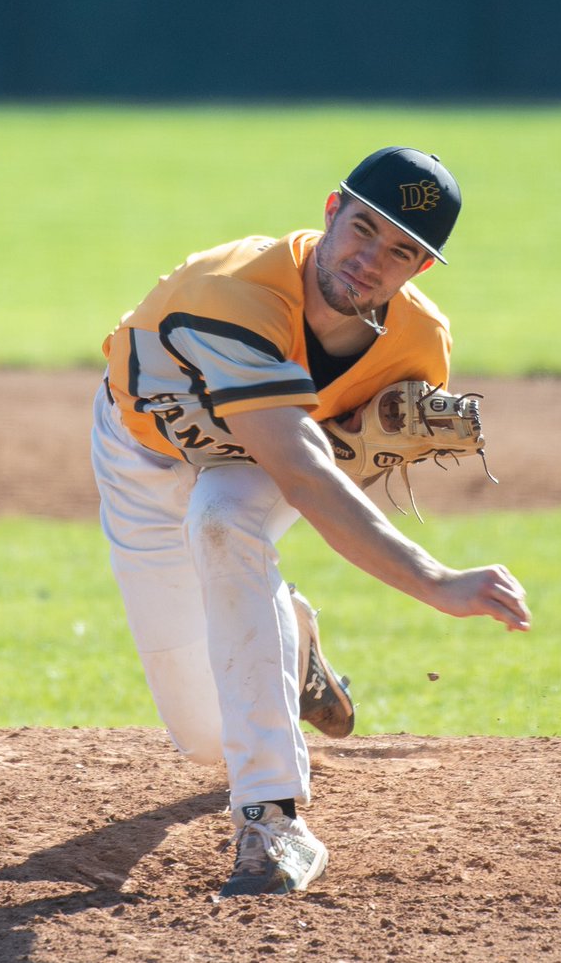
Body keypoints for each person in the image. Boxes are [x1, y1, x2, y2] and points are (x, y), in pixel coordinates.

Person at [90, 146, 531, 898]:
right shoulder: (235, 295)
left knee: (226, 518)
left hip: (244, 468)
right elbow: (304, 471)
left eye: (400, 250)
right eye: (364, 228)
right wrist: (436, 580)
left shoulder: (418, 346)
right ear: (331, 211)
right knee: (203, 736)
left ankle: (272, 822)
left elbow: (331, 460)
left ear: (418, 268)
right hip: (143, 455)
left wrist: (354, 449)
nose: (370, 260)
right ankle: (291, 648)